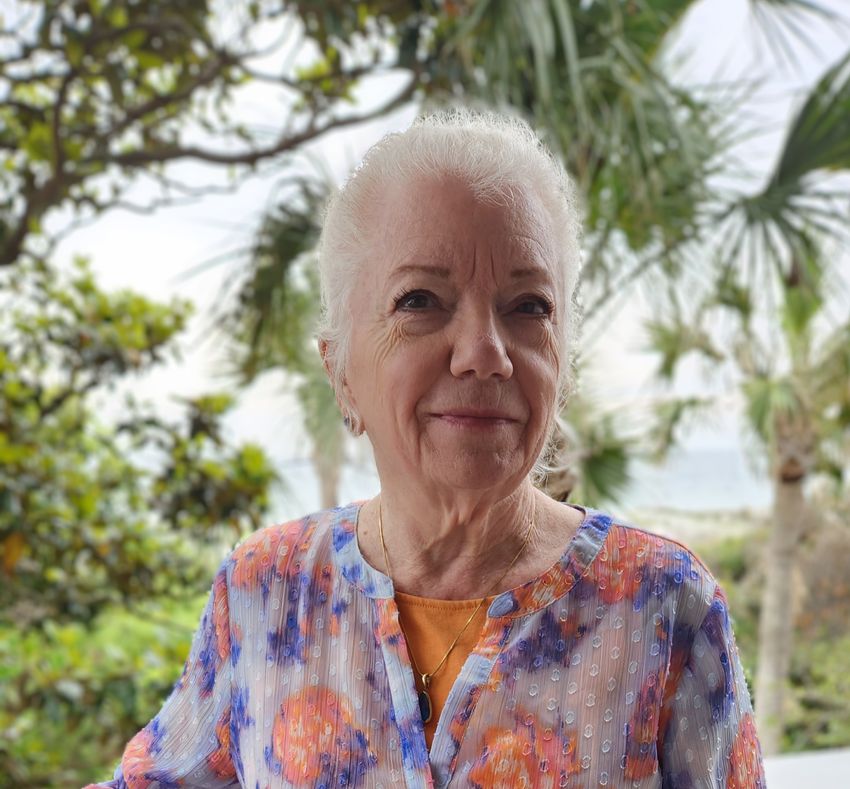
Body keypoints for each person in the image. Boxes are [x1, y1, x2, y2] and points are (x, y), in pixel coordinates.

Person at [85, 110, 765, 789]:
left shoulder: (662, 607)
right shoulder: (267, 592)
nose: (485, 353)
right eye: (421, 300)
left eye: (528, 306)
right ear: (340, 370)